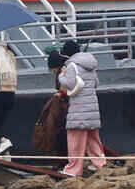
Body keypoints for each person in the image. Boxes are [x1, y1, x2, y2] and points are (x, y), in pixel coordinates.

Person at [57, 40, 105, 176]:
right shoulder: (90, 65)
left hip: (79, 109)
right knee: (93, 138)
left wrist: (61, 76)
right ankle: (101, 164)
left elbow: (70, 84)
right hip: (92, 109)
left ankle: (73, 169)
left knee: (75, 140)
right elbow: (96, 83)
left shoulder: (72, 65)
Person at [31, 51, 70, 158]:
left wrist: (59, 95)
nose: (52, 71)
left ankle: (64, 161)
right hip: (65, 111)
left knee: (60, 136)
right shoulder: (65, 70)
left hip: (63, 111)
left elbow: (64, 90)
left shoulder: (62, 73)